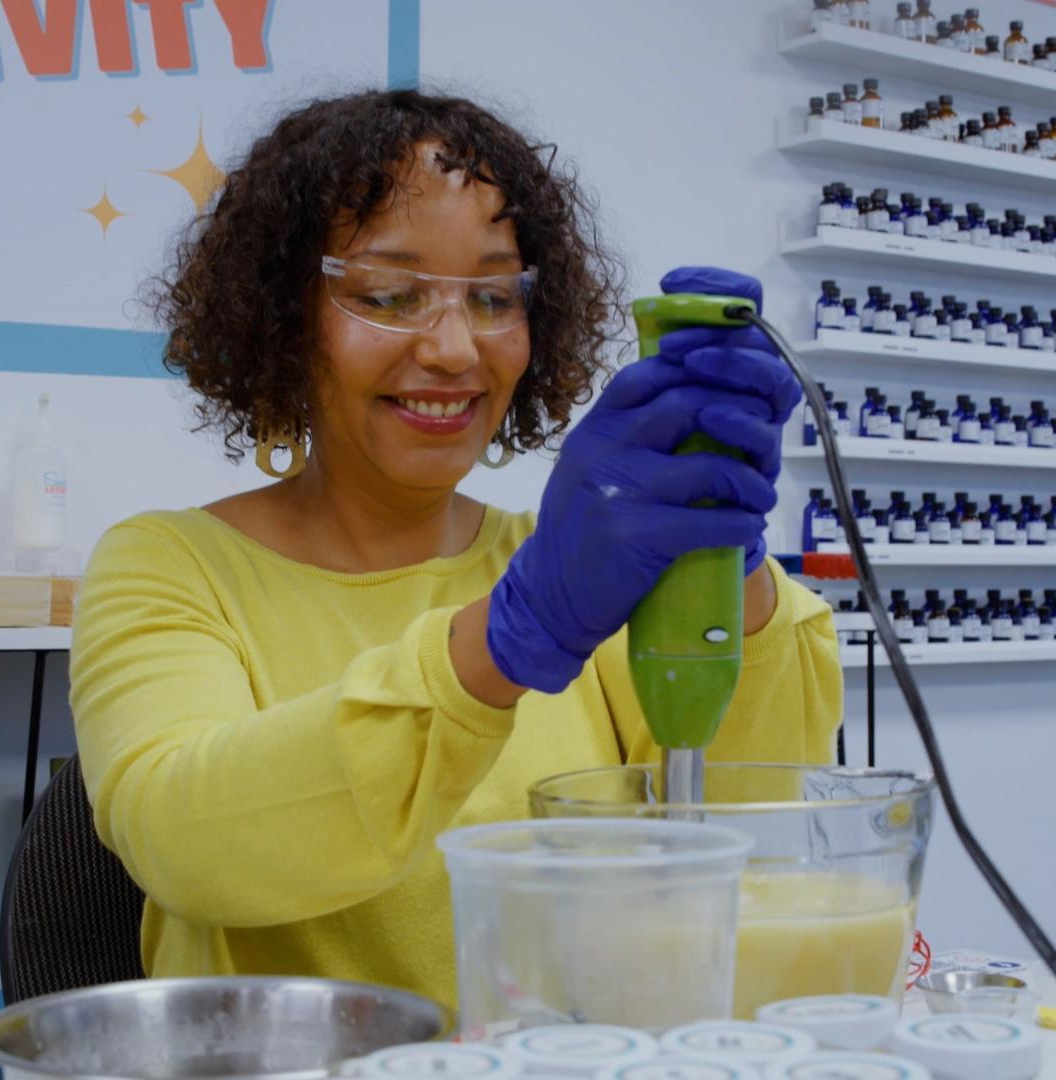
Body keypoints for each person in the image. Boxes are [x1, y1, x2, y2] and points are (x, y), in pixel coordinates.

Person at [69, 89, 843, 1007]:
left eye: (490, 296)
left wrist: (722, 556)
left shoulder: (589, 572)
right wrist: (510, 640)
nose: (451, 349)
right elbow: (187, 844)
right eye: (388, 295)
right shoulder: (171, 567)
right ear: (283, 316)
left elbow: (750, 823)